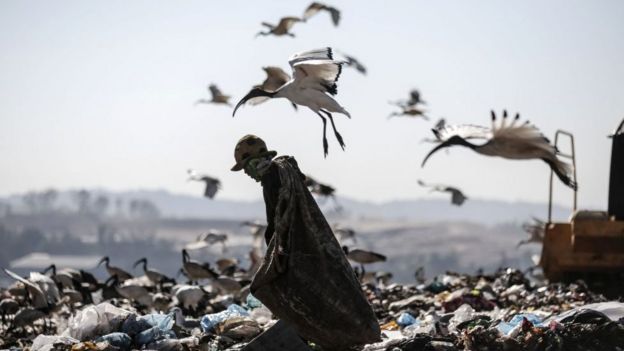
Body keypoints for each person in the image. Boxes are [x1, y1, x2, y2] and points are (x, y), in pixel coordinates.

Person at [231, 135, 380, 350]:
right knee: (327, 287)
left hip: (297, 247)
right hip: (308, 243)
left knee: (267, 286)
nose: (246, 173)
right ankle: (339, 335)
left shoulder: (272, 177)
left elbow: (277, 219)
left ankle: (326, 336)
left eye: (246, 167)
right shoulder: (283, 170)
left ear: (253, 161)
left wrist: (276, 249)